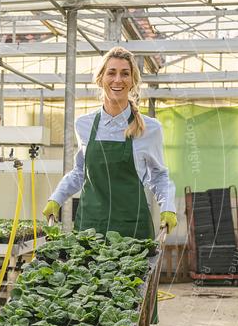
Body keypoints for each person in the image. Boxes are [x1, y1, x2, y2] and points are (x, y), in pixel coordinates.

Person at [42, 46, 177, 239]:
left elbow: (158, 176)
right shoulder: (84, 124)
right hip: (90, 227)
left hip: (132, 228)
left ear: (132, 82)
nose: (118, 80)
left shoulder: (150, 128)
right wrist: (56, 198)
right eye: (111, 73)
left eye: (125, 74)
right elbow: (80, 171)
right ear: (100, 79)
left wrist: (168, 207)